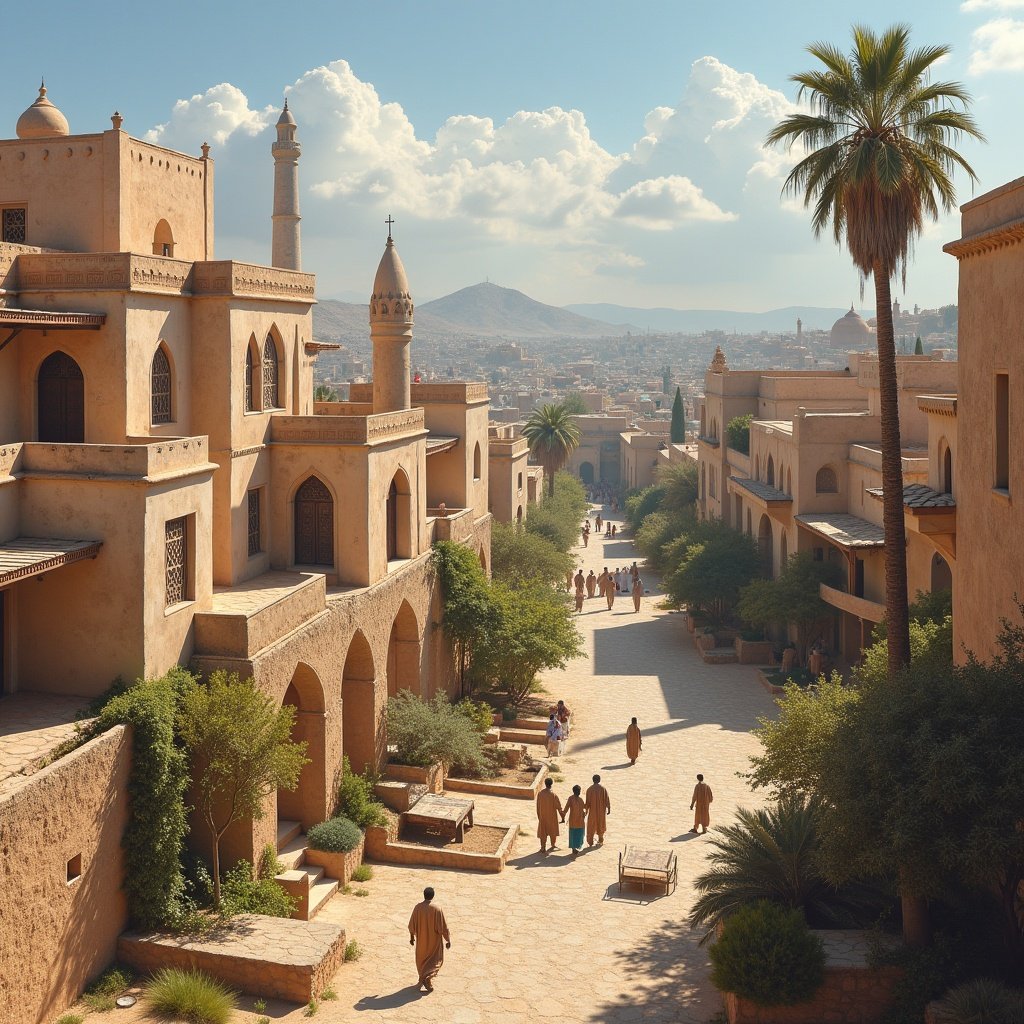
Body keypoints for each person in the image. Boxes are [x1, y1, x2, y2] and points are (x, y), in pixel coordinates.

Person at [408, 886, 451, 992]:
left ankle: (422, 978)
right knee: (435, 961)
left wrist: (412, 938)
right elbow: (443, 927)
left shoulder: (417, 908)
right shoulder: (437, 909)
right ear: (433, 896)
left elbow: (411, 925)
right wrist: (448, 940)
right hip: (434, 943)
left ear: (424, 895)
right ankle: (428, 978)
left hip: (421, 942)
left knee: (422, 961)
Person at [536, 776, 563, 853]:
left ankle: (543, 847)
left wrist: (539, 816)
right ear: (551, 784)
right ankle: (553, 844)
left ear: (545, 784)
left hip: (543, 816)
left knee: (543, 832)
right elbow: (559, 807)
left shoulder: (540, 794)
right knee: (552, 831)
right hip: (552, 817)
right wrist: (562, 816)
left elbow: (538, 806)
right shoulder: (553, 795)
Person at [585, 774, 611, 846]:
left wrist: (586, 811)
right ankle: (600, 840)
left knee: (591, 826)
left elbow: (587, 802)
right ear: (599, 780)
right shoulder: (603, 789)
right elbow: (607, 799)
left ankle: (590, 842)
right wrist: (608, 808)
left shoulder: (589, 789)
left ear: (593, 780)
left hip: (592, 812)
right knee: (601, 825)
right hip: (601, 812)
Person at [562, 784, 587, 857]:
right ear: (574, 791)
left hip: (580, 821)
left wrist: (584, 813)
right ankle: (573, 848)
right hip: (573, 820)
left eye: (579, 791)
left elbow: (583, 808)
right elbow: (566, 808)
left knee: (579, 835)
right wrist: (563, 814)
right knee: (573, 835)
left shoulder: (581, 800)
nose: (579, 792)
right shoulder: (570, 799)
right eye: (578, 791)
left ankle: (576, 847)